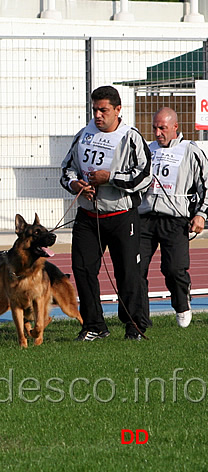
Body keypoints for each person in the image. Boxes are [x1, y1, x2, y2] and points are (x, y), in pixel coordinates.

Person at [60, 85, 153, 341]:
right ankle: (93, 325)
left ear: (118, 110)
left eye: (104, 110)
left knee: (127, 273)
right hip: (88, 217)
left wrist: (110, 178)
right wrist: (75, 185)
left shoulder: (131, 137)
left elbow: (144, 176)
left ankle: (134, 325)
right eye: (95, 110)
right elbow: (66, 170)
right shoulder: (83, 135)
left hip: (122, 216)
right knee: (82, 269)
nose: (98, 115)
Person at [139, 107, 208, 328]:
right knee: (135, 268)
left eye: (163, 128)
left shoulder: (190, 150)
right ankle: (140, 319)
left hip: (176, 219)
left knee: (173, 269)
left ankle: (182, 305)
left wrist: (200, 214)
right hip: (145, 218)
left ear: (175, 127)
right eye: (155, 128)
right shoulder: (147, 150)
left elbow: (205, 184)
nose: (158, 133)